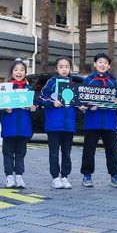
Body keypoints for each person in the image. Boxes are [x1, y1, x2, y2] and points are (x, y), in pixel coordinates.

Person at [79, 53, 117, 188]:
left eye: (105, 63)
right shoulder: (88, 80)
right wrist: (87, 106)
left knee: (112, 150)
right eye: (100, 62)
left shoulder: (112, 82)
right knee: (89, 150)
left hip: (109, 121)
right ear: (95, 64)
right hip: (92, 121)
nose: (102, 65)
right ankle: (87, 175)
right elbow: (82, 99)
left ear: (109, 66)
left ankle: (114, 175)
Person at [38, 56, 77, 189]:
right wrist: (52, 102)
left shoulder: (72, 83)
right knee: (54, 153)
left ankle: (65, 176)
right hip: (54, 124)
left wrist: (81, 106)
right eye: (61, 67)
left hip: (68, 124)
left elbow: (77, 102)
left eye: (67, 67)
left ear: (70, 68)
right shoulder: (51, 82)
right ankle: (55, 177)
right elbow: (42, 97)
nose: (64, 69)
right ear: (56, 69)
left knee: (67, 152)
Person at [0, 58, 35, 189]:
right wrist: (4, 108)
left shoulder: (29, 88)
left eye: (22, 70)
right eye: (16, 70)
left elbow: (35, 107)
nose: (19, 72)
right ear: (11, 72)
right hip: (9, 126)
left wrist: (33, 108)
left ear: (25, 72)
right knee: (8, 153)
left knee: (21, 153)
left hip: (24, 127)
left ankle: (19, 176)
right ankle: (9, 176)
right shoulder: (6, 88)